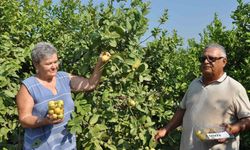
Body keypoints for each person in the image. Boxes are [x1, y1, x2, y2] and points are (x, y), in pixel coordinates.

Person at [16, 42, 111, 149]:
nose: (54, 67)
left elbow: (90, 84)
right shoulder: (29, 86)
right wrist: (45, 121)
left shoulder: (64, 78)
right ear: (36, 64)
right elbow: (24, 119)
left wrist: (101, 63)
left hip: (67, 145)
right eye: (48, 64)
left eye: (56, 62)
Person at [154, 43, 250, 150]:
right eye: (203, 58)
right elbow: (182, 110)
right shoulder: (194, 84)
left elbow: (247, 119)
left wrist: (232, 129)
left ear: (224, 62)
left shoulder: (234, 88)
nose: (206, 61)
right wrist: (166, 129)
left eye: (211, 58)